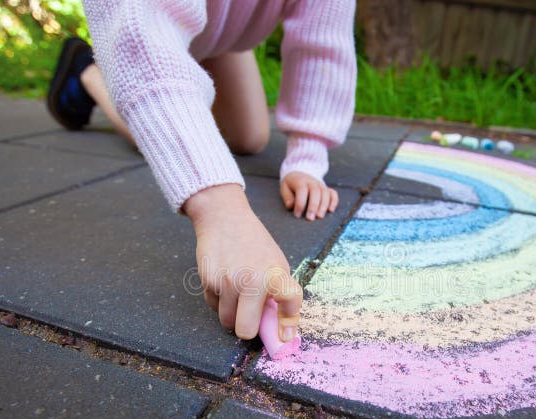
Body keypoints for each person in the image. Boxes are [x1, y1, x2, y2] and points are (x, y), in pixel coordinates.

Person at [47, 1, 356, 345]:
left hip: (224, 31)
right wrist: (221, 212)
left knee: (248, 138)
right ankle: (88, 70)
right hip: (150, 26)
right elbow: (138, 32)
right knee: (156, 129)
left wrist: (307, 158)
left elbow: (322, 42)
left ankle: (199, 62)